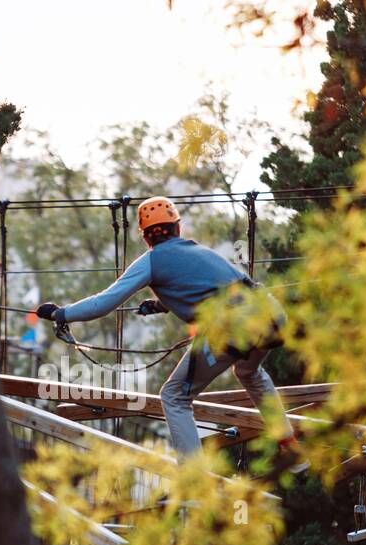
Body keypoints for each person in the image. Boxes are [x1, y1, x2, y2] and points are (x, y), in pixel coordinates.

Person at [35, 195, 292, 458]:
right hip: (269, 313)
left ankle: (194, 483)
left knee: (174, 397)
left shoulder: (151, 260)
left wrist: (60, 313)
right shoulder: (199, 251)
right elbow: (206, 289)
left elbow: (103, 303)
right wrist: (160, 304)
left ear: (146, 238)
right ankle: (288, 441)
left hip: (230, 325)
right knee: (249, 372)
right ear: (177, 228)